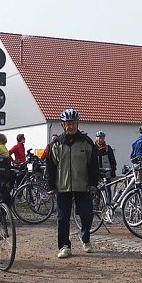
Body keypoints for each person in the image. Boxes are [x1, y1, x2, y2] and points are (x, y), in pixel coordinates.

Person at [45, 108, 99, 259]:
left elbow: (94, 164)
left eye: (73, 123)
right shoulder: (56, 144)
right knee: (62, 218)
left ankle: (85, 238)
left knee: (87, 214)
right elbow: (50, 166)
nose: (70, 126)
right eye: (67, 123)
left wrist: (94, 183)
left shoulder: (86, 142)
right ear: (62, 125)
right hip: (62, 187)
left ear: (77, 123)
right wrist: (51, 187)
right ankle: (64, 246)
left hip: (83, 186)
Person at [95, 131, 117, 203]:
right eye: (99, 138)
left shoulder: (108, 148)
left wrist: (113, 170)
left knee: (107, 188)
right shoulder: (93, 148)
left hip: (106, 171)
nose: (101, 139)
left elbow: (112, 160)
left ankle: (108, 204)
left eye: (102, 138)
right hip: (96, 171)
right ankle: (96, 204)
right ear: (96, 138)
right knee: (96, 189)